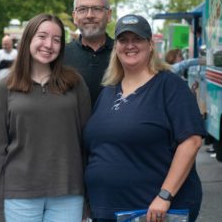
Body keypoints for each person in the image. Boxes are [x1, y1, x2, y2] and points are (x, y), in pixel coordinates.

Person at [84, 14, 206, 222]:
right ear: (116, 48)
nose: (130, 45)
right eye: (123, 40)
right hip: (106, 209)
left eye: (137, 39)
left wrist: (164, 195)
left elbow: (191, 141)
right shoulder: (109, 91)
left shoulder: (169, 85)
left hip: (151, 211)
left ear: (150, 45)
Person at [0, 13, 91, 222]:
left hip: (68, 194)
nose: (49, 44)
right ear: (28, 40)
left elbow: (87, 144)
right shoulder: (4, 88)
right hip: (19, 196)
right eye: (42, 36)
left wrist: (89, 198)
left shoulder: (74, 84)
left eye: (56, 39)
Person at [64, 0, 113, 106]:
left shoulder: (124, 54)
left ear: (109, 15)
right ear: (74, 16)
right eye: (82, 9)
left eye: (96, 8)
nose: (89, 15)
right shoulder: (60, 55)